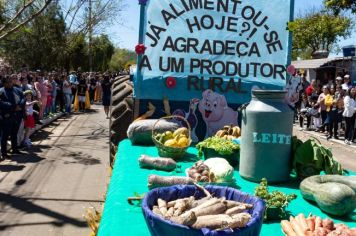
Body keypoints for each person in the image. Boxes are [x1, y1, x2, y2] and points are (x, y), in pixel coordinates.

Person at [0, 76, 25, 159]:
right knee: (5, 136)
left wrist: (20, 105)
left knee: (14, 133)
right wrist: (13, 107)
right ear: (4, 83)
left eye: (11, 81)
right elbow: (1, 103)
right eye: (8, 82)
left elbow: (23, 98)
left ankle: (15, 149)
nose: (10, 83)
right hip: (6, 116)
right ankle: (4, 153)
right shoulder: (1, 91)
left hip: (17, 115)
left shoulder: (16, 89)